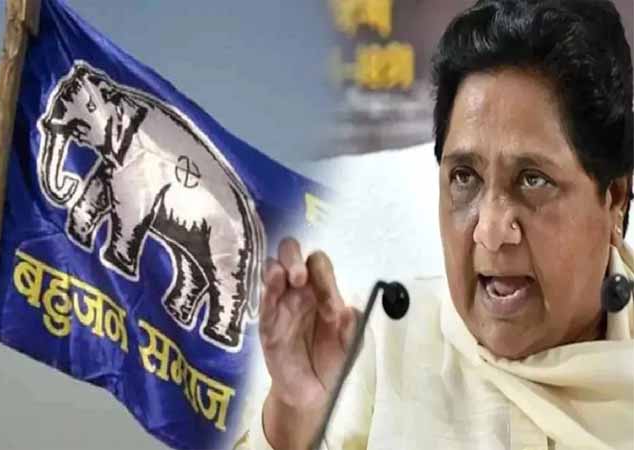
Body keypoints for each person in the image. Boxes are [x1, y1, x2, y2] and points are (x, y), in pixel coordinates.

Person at [247, 0, 634, 448]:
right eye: (464, 177)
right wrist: (293, 417)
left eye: (533, 180)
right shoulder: (369, 348)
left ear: (614, 199)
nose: (490, 231)